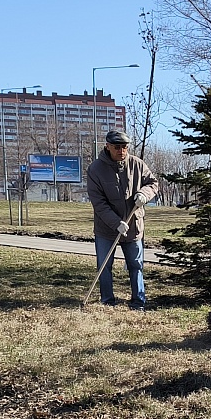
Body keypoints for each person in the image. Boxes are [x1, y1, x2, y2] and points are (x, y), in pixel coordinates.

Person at [85, 130, 159, 310]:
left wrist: (144, 193)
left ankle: (138, 302)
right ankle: (107, 301)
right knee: (104, 266)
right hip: (106, 228)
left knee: (136, 265)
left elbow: (153, 183)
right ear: (108, 146)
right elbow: (99, 203)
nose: (121, 151)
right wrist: (116, 223)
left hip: (134, 225)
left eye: (125, 147)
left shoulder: (137, 164)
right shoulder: (95, 169)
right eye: (117, 147)